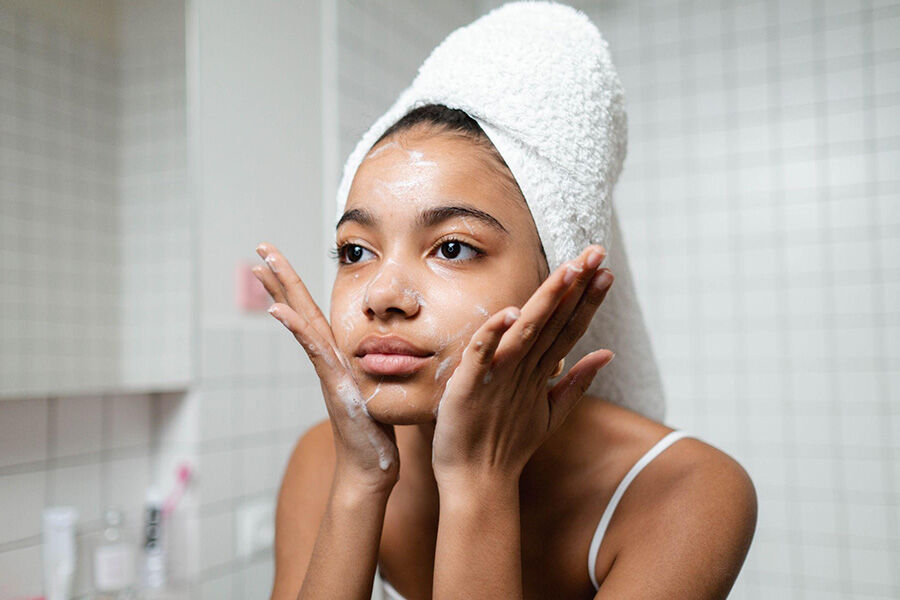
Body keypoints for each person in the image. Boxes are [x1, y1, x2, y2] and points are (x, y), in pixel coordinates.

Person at [260, 4, 756, 599]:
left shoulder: (686, 492)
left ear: (562, 285)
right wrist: (361, 482)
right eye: (355, 252)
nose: (382, 295)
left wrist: (478, 483)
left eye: (451, 247)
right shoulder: (329, 460)